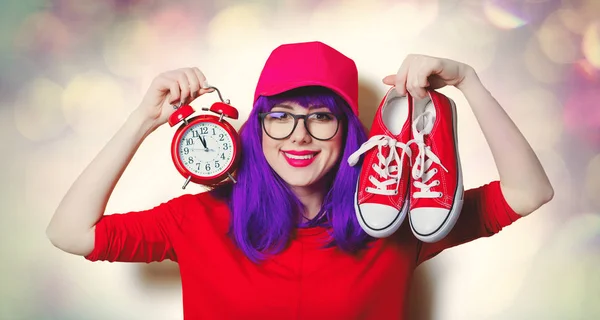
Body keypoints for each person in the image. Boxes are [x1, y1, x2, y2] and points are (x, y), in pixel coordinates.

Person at [46, 41, 554, 319]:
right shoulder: (197, 219)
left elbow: (528, 193)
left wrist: (469, 82)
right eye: (281, 116)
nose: (299, 135)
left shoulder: (393, 220)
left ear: (351, 132)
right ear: (257, 129)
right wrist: (143, 119)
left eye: (321, 117)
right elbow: (69, 232)